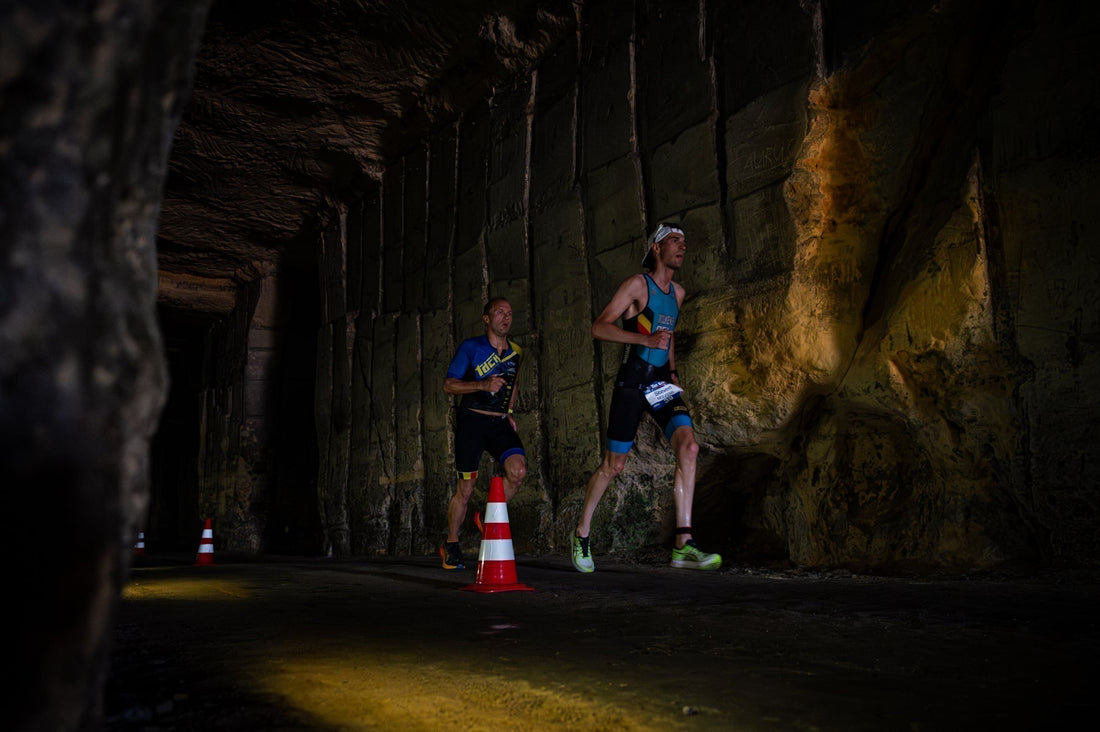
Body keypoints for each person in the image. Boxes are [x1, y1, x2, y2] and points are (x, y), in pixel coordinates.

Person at [571, 223, 721, 573]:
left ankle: (683, 544)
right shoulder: (638, 285)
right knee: (614, 465)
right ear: (656, 248)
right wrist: (643, 341)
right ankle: (581, 534)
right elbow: (599, 327)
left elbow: (667, 338)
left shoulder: (679, 293)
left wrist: (672, 374)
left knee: (689, 447)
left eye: (684, 241)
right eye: (674, 241)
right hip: (632, 381)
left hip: (660, 383)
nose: (681, 247)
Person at [440, 297, 527, 569]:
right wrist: (481, 385)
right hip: (472, 423)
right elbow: (449, 385)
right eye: (499, 312)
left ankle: (486, 518)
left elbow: (512, 385)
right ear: (487, 318)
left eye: (510, 313)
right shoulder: (471, 347)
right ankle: (451, 545)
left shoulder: (516, 352)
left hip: (499, 422)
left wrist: (510, 413)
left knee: (518, 471)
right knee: (465, 489)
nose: (506, 317)